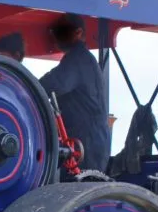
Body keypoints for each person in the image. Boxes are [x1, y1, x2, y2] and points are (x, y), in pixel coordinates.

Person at [38, 13, 110, 173]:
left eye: (61, 32)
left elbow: (51, 84)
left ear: (78, 33)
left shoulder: (78, 59)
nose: (56, 37)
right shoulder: (81, 59)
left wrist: (25, 87)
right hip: (86, 141)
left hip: (85, 145)